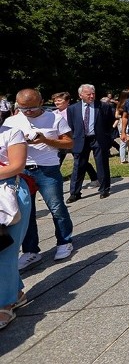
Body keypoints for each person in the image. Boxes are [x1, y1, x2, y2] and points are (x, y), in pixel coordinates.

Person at [4, 89, 74, 271]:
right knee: (26, 212)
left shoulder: (55, 118)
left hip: (47, 169)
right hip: (21, 170)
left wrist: (46, 140)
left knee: (56, 206)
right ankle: (30, 251)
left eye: (32, 108)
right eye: (23, 108)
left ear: (42, 102)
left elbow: (69, 142)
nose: (27, 112)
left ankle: (64, 241)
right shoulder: (12, 121)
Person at [0, 121, 31, 331]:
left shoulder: (11, 133)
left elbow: (16, 165)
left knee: (5, 250)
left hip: (8, 194)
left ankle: (5, 304)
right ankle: (16, 293)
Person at [65, 84, 115, 202]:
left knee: (102, 163)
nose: (91, 96)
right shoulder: (72, 109)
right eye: (88, 94)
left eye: (93, 94)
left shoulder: (103, 106)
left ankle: (104, 189)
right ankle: (75, 193)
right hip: (81, 139)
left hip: (98, 138)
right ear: (80, 95)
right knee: (79, 166)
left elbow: (109, 122)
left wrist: (107, 137)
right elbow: (71, 125)